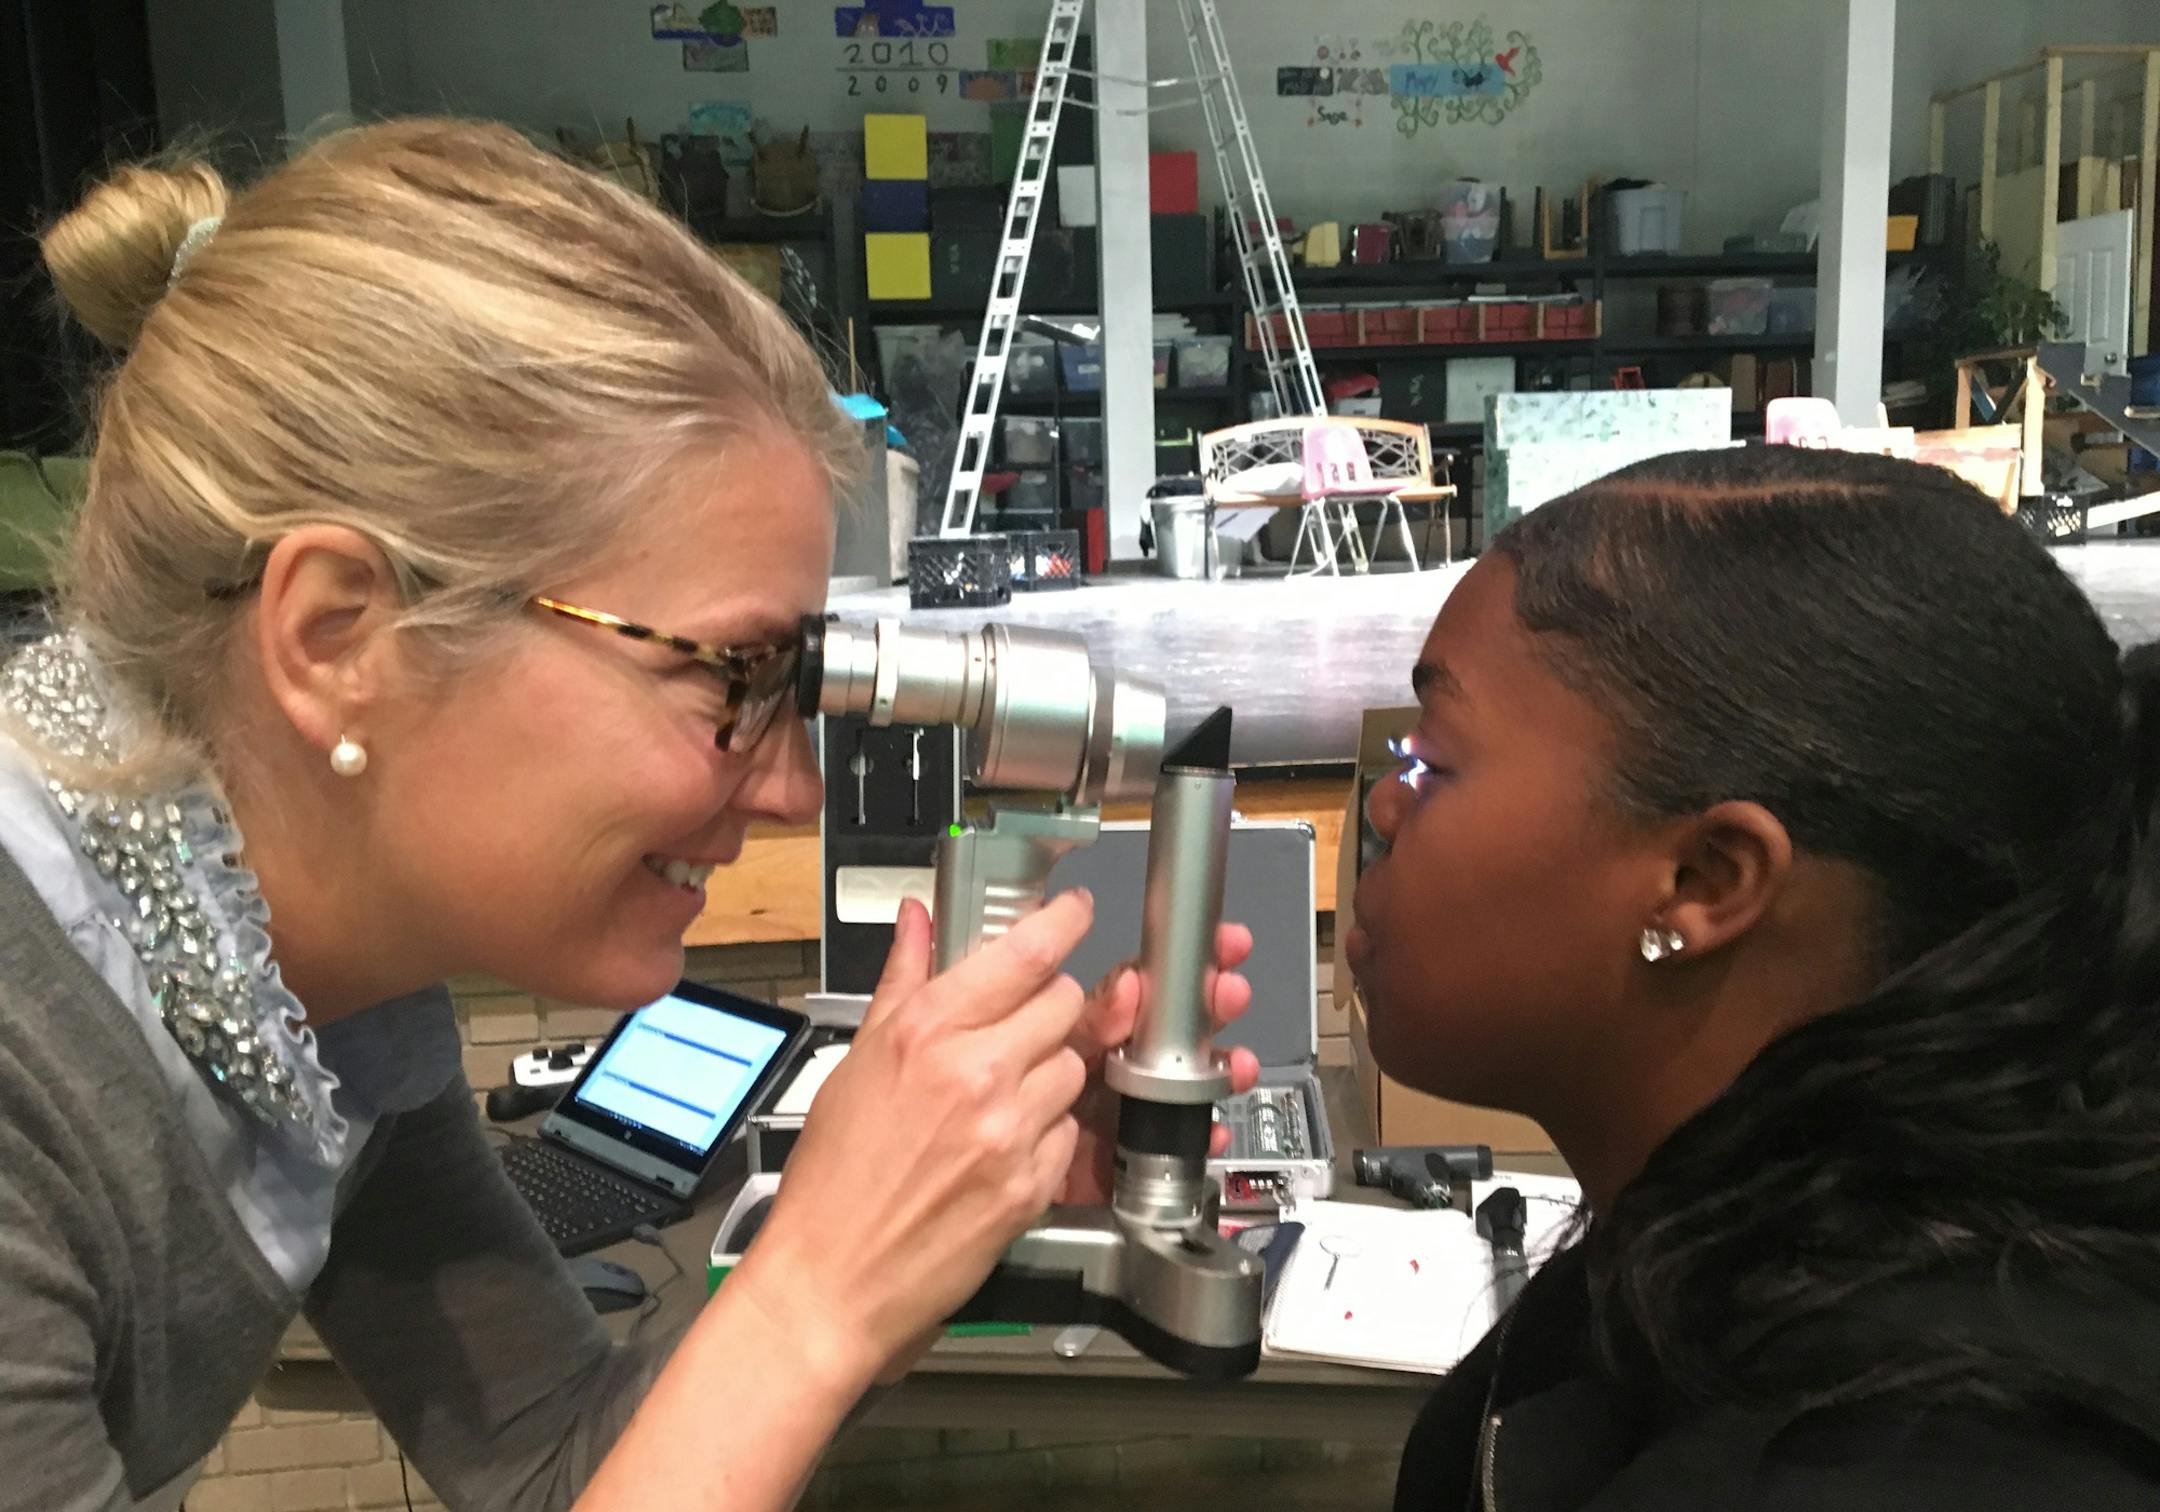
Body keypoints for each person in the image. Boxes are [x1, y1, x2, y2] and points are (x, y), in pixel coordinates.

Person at [0, 118, 1257, 1512]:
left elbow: (552, 1462)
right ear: (339, 636)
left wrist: (900, 1235)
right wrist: (810, 1298)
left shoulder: (335, 1008)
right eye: (728, 674)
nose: (784, 789)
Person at [1352, 447, 2160, 1509]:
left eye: (1436, 761)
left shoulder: (1922, 1465)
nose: (1384, 808)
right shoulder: (1699, 1269)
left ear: (1703, 880)